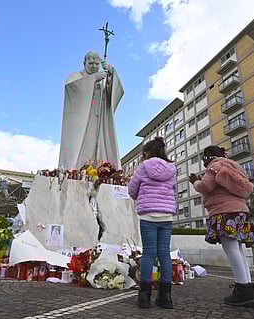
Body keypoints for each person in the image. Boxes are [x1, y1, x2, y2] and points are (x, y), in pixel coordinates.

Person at [189, 146, 254, 307]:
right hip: (241, 211)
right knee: (239, 250)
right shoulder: (234, 166)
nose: (204, 163)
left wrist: (195, 182)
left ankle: (243, 290)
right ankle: (248, 287)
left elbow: (205, 187)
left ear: (208, 157)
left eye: (203, 159)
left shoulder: (214, 166)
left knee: (232, 250)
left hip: (224, 212)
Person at [128, 137, 176, 309]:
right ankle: (166, 296)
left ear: (147, 153)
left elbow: (132, 189)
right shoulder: (172, 169)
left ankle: (144, 296)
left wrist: (142, 195)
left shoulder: (143, 167)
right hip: (166, 217)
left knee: (149, 253)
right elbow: (173, 190)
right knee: (164, 253)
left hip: (148, 215)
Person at [58, 51, 124, 170]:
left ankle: (101, 168)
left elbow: (114, 93)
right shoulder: (76, 76)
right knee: (83, 145)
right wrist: (93, 79)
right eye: (91, 63)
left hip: (99, 119)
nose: (94, 66)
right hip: (83, 120)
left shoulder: (102, 78)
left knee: (97, 144)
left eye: (97, 64)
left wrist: (111, 74)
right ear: (84, 63)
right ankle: (76, 168)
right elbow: (72, 89)